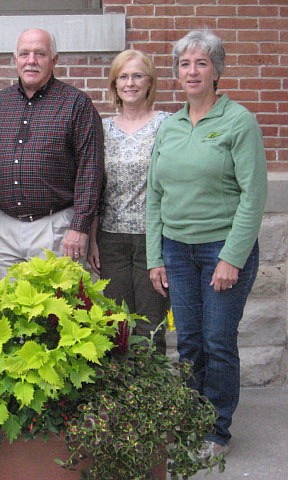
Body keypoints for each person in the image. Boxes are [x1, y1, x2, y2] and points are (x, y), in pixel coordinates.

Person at [146, 30, 267, 460]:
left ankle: (216, 431)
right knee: (191, 342)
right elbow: (155, 195)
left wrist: (232, 257)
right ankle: (189, 420)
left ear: (217, 70)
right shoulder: (170, 125)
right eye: (184, 64)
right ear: (176, 74)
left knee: (217, 340)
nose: (192, 71)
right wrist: (155, 256)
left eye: (201, 63)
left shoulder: (238, 121)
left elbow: (254, 196)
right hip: (177, 251)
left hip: (222, 249)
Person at [0, 28, 104, 280]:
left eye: (40, 53)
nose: (31, 60)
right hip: (4, 228)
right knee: (5, 311)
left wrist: (79, 227)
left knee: (56, 312)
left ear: (54, 60)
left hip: (56, 228)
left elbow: (90, 170)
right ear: (15, 59)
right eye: (24, 53)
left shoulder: (76, 104)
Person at [87, 50, 170, 354]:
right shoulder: (103, 129)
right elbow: (95, 187)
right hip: (111, 239)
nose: (130, 83)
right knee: (115, 324)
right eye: (123, 76)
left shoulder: (166, 125)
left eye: (137, 76)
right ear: (115, 84)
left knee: (151, 326)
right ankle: (120, 397)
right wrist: (93, 239)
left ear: (150, 83)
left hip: (153, 239)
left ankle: (154, 397)